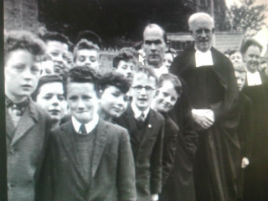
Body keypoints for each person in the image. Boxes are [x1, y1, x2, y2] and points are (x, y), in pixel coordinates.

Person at [170, 12, 240, 201]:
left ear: (213, 32)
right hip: (188, 130)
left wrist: (214, 114)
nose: (203, 35)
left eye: (206, 31)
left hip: (217, 133)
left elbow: (233, 97)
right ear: (191, 33)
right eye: (198, 31)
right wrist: (191, 113)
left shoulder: (224, 62)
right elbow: (171, 93)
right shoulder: (180, 61)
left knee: (218, 182)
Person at [40, 66, 136, 201]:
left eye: (86, 98)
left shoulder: (118, 136)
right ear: (66, 99)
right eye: (73, 98)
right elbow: (47, 190)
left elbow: (127, 189)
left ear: (98, 96)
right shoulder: (55, 137)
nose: (80, 105)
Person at [4, 30, 51, 201]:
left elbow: (42, 174)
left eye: (34, 70)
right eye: (19, 68)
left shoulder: (43, 118)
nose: (28, 76)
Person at [116, 66, 165, 201]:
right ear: (131, 90)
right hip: (119, 187)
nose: (143, 93)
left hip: (144, 189)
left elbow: (157, 160)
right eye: (138, 87)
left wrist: (155, 192)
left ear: (155, 92)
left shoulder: (158, 120)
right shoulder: (119, 116)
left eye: (148, 88)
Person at [240, 39, 268, 201]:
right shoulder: (238, 79)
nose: (254, 60)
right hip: (246, 134)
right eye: (251, 56)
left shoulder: (265, 78)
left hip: (264, 135)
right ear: (244, 56)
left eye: (257, 57)